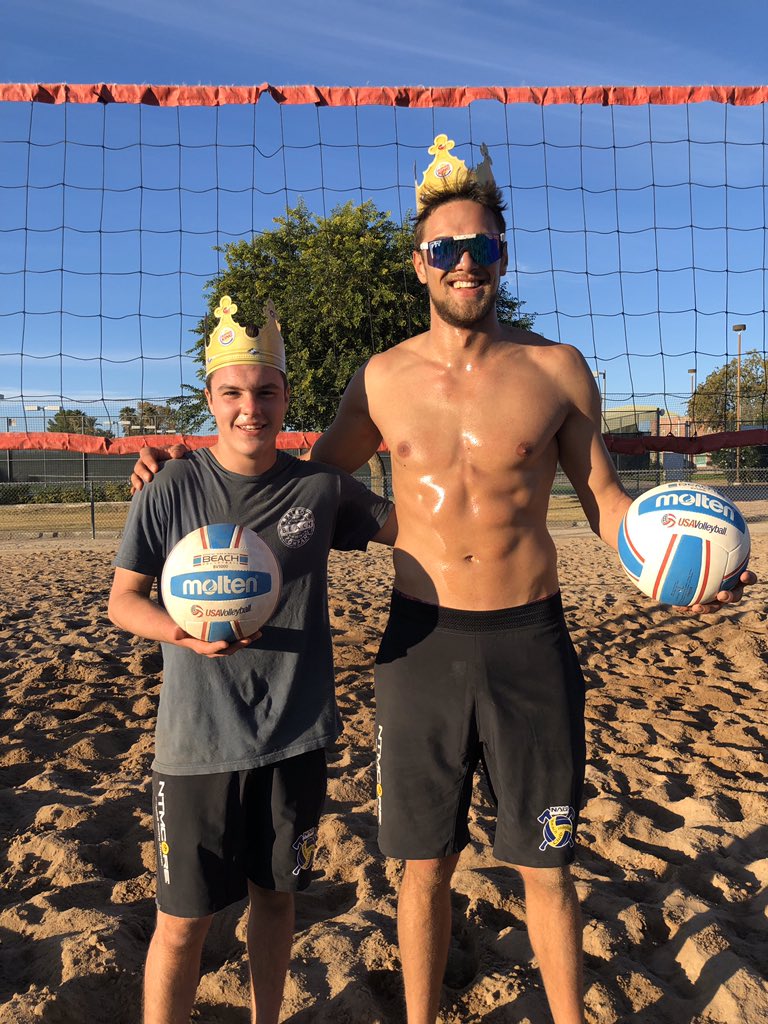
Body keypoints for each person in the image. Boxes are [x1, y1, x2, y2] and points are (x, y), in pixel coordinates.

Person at [132, 141, 755, 1024]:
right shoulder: (381, 379)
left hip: (529, 642)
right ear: (420, 262)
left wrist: (679, 566)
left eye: (484, 248)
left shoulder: (558, 370)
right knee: (420, 868)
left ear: (503, 256)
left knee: (548, 866)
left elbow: (609, 504)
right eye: (447, 249)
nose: (467, 264)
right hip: (419, 645)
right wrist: (176, 476)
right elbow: (289, 485)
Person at [110, 296, 395, 1024]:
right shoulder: (170, 487)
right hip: (196, 744)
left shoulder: (319, 489)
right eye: (232, 392)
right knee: (183, 924)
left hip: (294, 736)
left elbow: (415, 530)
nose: (250, 408)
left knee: (277, 901)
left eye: (265, 391)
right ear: (209, 398)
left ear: (286, 397)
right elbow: (124, 603)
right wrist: (184, 635)